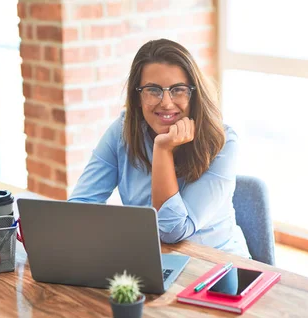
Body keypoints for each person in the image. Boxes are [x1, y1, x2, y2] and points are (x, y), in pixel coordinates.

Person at [68, 38, 250, 258]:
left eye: (178, 90)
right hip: (150, 261)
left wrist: (162, 151)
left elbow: (173, 230)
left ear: (194, 94)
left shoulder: (222, 141)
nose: (165, 102)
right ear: (137, 97)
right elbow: (80, 206)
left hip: (217, 267)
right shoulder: (123, 131)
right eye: (153, 90)